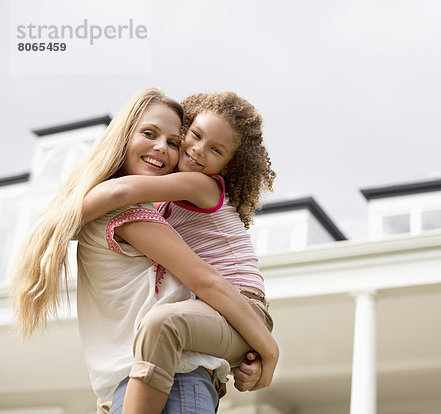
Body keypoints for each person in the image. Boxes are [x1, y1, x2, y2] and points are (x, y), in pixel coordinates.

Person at [9, 88, 278, 413]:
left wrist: (268, 350)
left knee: (162, 323)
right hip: (169, 368)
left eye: (172, 141)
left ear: (229, 166)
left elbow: (121, 192)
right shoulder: (155, 208)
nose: (195, 150)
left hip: (241, 307)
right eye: (191, 137)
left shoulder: (198, 187)